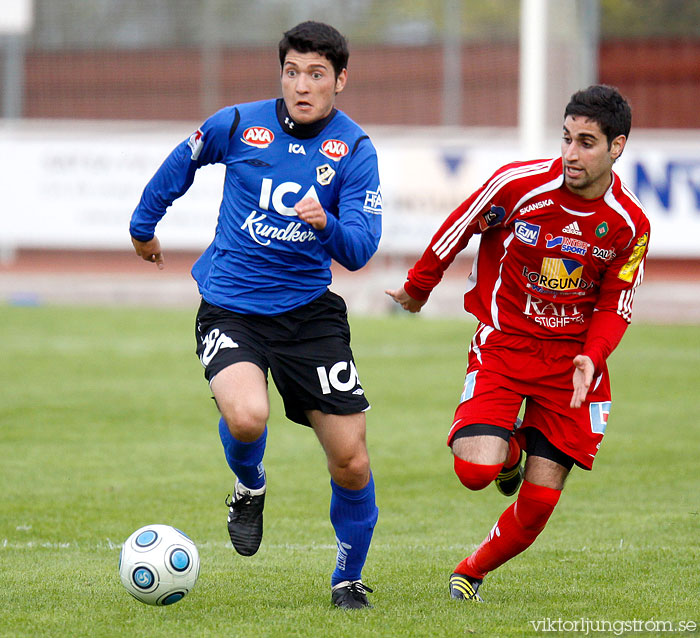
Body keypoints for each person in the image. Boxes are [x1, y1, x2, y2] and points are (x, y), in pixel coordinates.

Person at [129, 21, 381, 609]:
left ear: (340, 80)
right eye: (292, 71)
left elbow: (362, 249)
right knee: (246, 417)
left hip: (309, 316)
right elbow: (181, 161)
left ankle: (348, 577)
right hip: (231, 307)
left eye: (317, 74)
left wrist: (329, 225)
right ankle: (250, 484)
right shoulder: (239, 124)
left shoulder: (355, 151)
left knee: (351, 458)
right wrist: (144, 226)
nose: (302, 84)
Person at [386, 85, 650, 601]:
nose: (571, 154)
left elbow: (616, 304)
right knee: (475, 471)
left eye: (587, 143)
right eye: (566, 138)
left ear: (617, 147)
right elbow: (460, 224)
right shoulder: (520, 184)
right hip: (505, 347)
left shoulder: (630, 223)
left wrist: (591, 359)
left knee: (540, 503)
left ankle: (471, 571)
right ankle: (510, 454)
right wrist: (419, 288)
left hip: (570, 366)